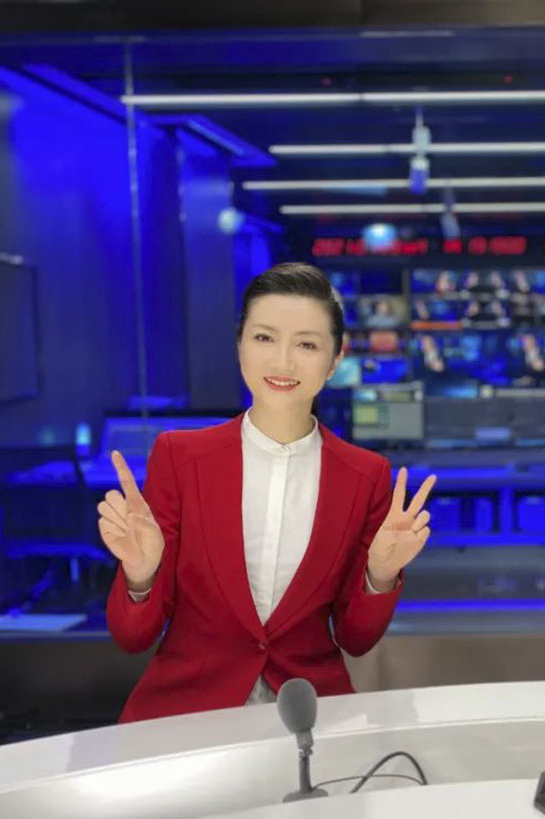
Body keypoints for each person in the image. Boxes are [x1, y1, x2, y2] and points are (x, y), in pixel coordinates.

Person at [101, 263, 437, 723]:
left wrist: (380, 575)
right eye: (264, 338)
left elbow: (356, 639)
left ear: (335, 360)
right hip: (189, 716)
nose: (283, 362)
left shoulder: (366, 475)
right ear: (240, 344)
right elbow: (131, 638)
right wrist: (140, 577)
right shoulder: (179, 457)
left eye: (306, 344)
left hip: (309, 715)